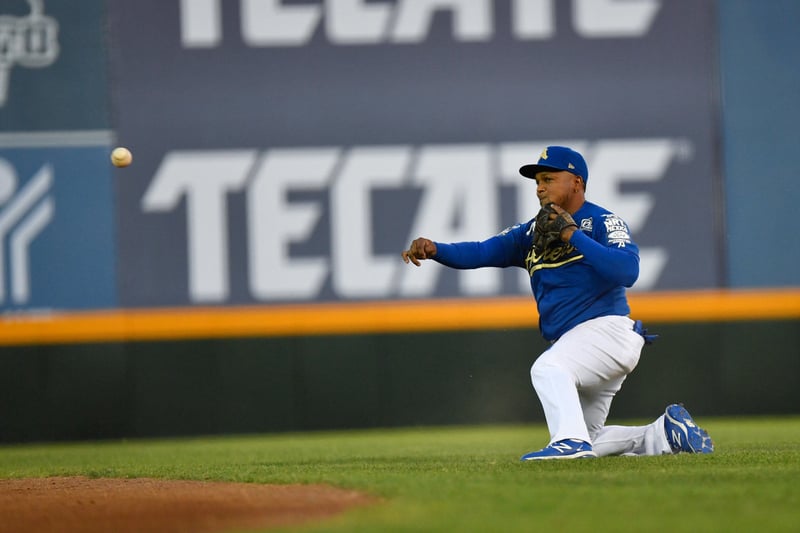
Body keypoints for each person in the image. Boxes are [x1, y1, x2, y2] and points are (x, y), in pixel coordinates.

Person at [401, 146, 714, 460]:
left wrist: (572, 235)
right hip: (579, 343)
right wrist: (435, 249)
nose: (539, 187)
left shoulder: (602, 220)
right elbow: (481, 251)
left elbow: (627, 271)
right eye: (537, 180)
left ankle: (570, 445)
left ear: (576, 183)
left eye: (548, 178)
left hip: (607, 330)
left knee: (549, 368)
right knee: (591, 435)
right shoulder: (531, 232)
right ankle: (662, 434)